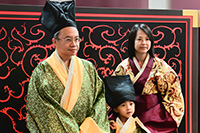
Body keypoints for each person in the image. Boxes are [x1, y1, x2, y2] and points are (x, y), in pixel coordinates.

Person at [26, 0, 110, 132]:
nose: (74, 44)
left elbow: (100, 100)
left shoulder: (88, 67)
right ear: (55, 41)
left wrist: (87, 128)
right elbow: (41, 109)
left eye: (77, 39)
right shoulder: (42, 70)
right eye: (68, 40)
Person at [111, 23, 184, 132]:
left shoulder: (161, 67)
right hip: (128, 116)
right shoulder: (123, 67)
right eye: (139, 39)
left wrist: (158, 117)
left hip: (154, 118)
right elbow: (113, 95)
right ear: (132, 42)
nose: (144, 43)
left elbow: (174, 95)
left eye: (147, 39)